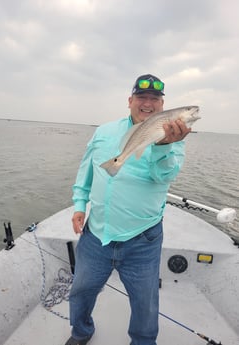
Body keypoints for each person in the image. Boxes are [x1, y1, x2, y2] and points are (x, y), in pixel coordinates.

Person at [66, 74, 191, 345]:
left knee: (145, 302)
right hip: (96, 233)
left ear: (162, 105)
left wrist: (163, 146)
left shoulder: (173, 137)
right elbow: (86, 169)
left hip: (142, 239)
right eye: (142, 97)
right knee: (81, 291)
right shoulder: (104, 131)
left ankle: (143, 342)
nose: (147, 103)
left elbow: (164, 177)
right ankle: (80, 332)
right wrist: (79, 204)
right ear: (130, 100)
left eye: (154, 99)